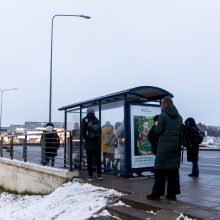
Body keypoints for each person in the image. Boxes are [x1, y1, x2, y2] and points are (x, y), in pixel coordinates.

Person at [147, 96, 183, 201]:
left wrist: (156, 124)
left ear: (166, 104)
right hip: (175, 148)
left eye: (162, 104)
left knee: (159, 171)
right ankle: (172, 194)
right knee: (173, 171)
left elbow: (158, 131)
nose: (161, 106)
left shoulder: (162, 116)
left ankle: (156, 194)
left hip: (164, 148)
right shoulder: (179, 117)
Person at [81, 108, 103, 181]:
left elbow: (82, 131)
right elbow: (100, 131)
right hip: (96, 143)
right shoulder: (97, 120)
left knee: (89, 159)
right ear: (93, 113)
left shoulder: (85, 119)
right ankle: (99, 175)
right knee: (98, 159)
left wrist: (86, 138)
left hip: (89, 143)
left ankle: (90, 176)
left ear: (87, 112)